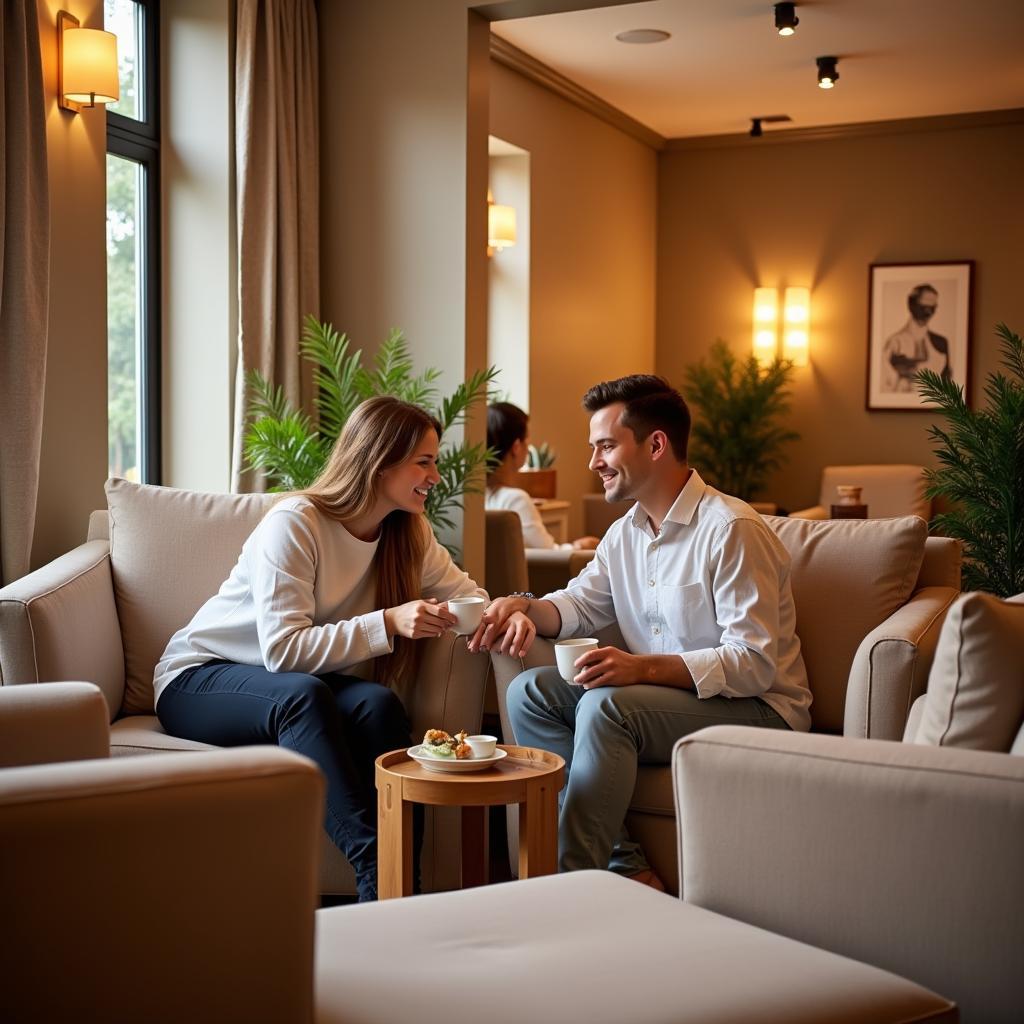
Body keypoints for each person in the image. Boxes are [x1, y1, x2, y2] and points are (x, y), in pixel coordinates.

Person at [472, 375, 812, 889]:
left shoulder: (732, 530)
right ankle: (624, 866)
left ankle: (571, 887)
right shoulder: (623, 534)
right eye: (594, 447)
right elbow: (578, 604)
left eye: (606, 446)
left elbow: (754, 663)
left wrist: (639, 669)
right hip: (664, 701)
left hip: (761, 709)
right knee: (529, 692)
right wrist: (519, 607)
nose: (593, 462)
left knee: (606, 704)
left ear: (656, 445)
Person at [153, 396, 489, 902]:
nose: (436, 476)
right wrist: (389, 622)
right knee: (302, 696)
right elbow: (283, 652)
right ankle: (376, 865)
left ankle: (406, 886)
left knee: (378, 704)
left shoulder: (406, 532)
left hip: (287, 683)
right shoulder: (296, 522)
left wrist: (498, 613)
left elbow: (470, 596)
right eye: (425, 461)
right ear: (380, 461)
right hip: (200, 678)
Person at [486, 401, 600, 551]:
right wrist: (579, 546)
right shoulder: (515, 501)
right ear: (516, 447)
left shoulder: (472, 498)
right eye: (527, 440)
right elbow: (549, 556)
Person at [882, 284, 951, 392]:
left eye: (932, 308)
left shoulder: (941, 343)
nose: (928, 312)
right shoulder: (895, 342)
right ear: (912, 305)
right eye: (923, 307)